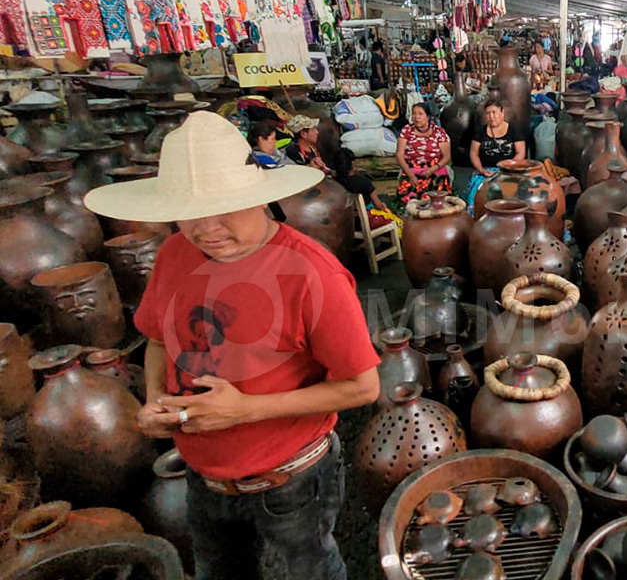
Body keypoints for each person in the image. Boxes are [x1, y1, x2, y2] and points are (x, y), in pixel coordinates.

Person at [82, 112, 380, 580]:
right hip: (202, 475)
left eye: (224, 210)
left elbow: (362, 387)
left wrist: (246, 410)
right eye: (190, 213)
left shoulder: (311, 273)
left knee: (308, 570)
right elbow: (158, 337)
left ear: (258, 199)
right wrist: (155, 399)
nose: (207, 228)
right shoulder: (174, 254)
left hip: (291, 480)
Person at [285, 115, 386, 210]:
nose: (317, 132)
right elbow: (297, 175)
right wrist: (312, 168)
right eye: (313, 129)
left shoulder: (313, 148)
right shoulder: (294, 152)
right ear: (304, 134)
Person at [467, 98, 526, 209]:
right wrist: (481, 170)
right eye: (488, 113)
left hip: (508, 171)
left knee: (513, 194)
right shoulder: (481, 131)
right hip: (485, 171)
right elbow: (473, 154)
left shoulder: (514, 130)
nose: (491, 116)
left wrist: (506, 168)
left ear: (502, 112)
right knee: (476, 194)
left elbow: (520, 152)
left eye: (494, 112)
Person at [395, 101, 452, 204]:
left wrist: (432, 169)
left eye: (420, 114)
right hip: (412, 169)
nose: (416, 117)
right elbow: (399, 155)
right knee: (409, 199)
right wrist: (410, 175)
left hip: (435, 169)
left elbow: (447, 156)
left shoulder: (438, 132)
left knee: (437, 198)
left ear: (428, 116)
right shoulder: (407, 130)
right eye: (414, 113)